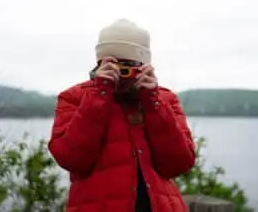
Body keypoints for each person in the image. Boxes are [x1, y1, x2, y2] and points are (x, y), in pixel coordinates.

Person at [48, 19, 195, 212]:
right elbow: (72, 160)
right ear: (99, 63)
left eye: (129, 66)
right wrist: (100, 93)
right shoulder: (74, 98)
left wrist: (152, 101)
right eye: (114, 64)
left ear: (144, 65)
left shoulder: (164, 99)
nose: (122, 73)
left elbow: (179, 164)